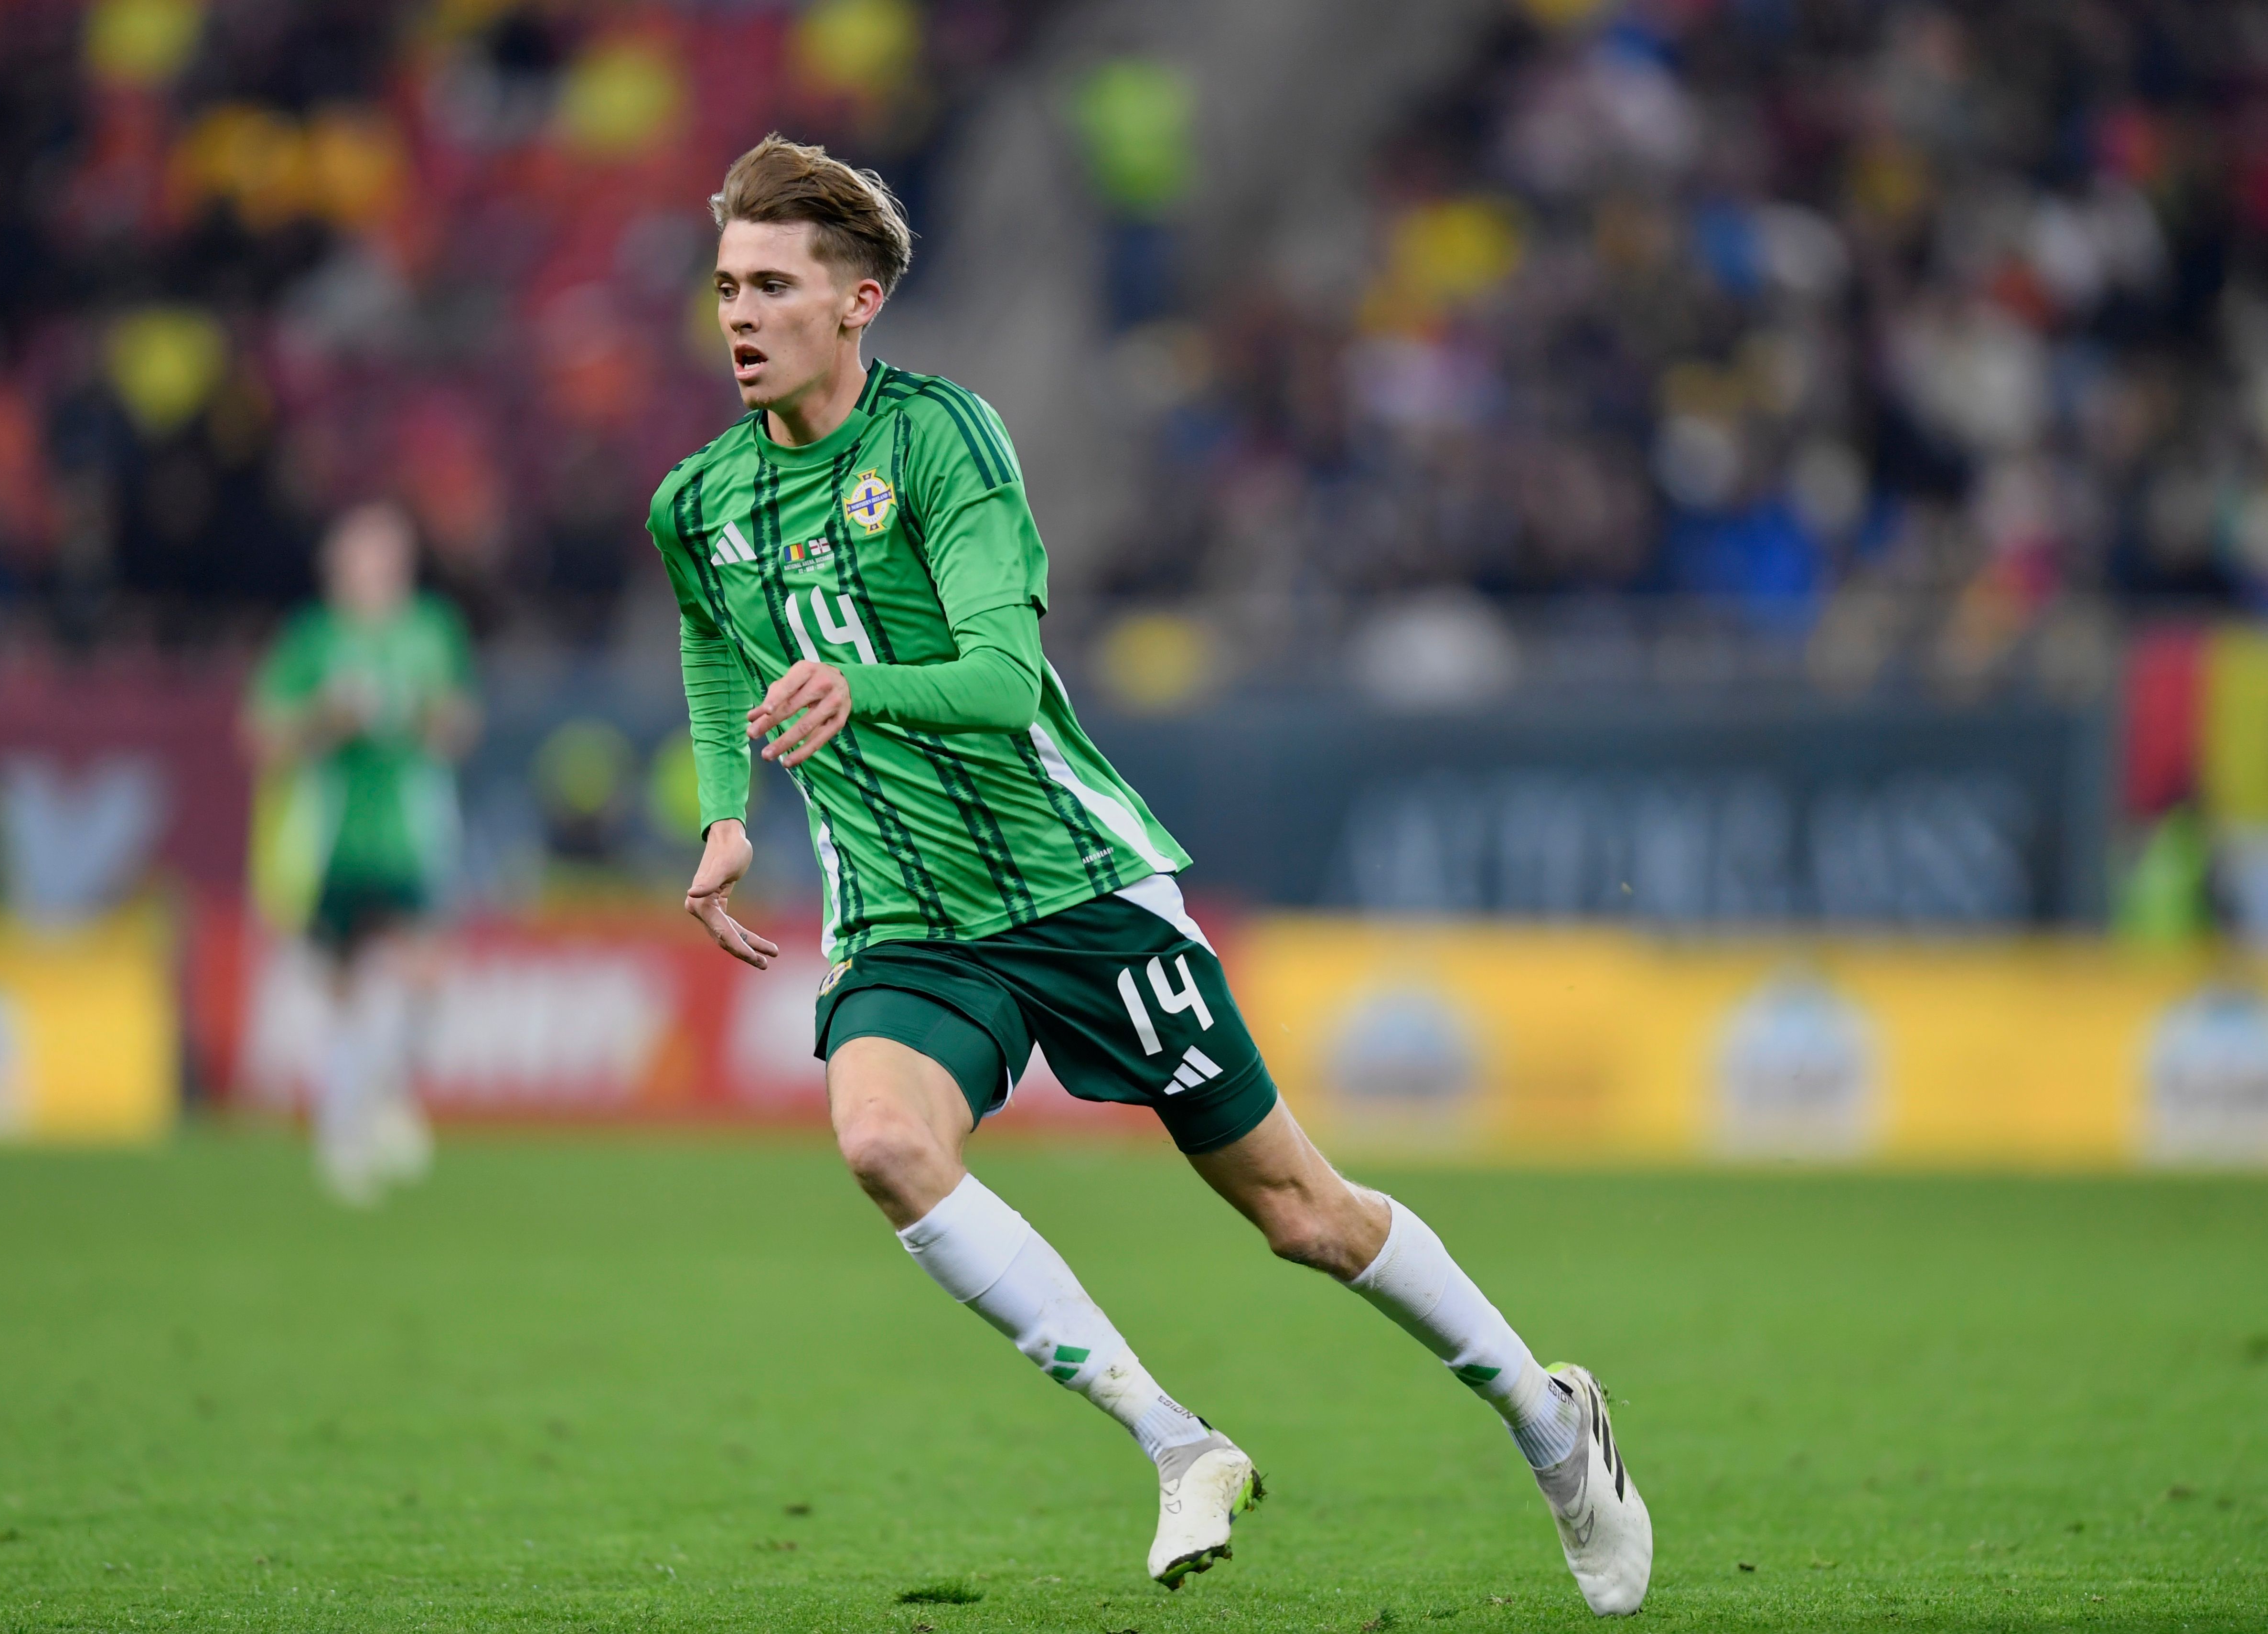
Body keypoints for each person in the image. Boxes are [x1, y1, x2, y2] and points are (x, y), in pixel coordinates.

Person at [649, 135, 1653, 1615]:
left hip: (1070, 884)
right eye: (727, 283)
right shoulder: (698, 500)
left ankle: (1544, 1415)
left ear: (858, 300)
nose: (739, 313)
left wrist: (859, 687)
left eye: (774, 285)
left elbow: (1000, 679)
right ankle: (1178, 1441)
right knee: (882, 1147)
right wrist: (728, 806)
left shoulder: (943, 444)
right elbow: (704, 634)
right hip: (908, 919)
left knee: (1303, 1214)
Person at [243, 502, 480, 1206]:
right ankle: (343, 1132)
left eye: (387, 555)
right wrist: (325, 716)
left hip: (414, 827)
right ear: (337, 566)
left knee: (425, 974)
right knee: (344, 989)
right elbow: (261, 738)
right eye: (362, 555)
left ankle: (388, 1095)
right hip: (333, 835)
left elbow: (459, 725)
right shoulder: (312, 639)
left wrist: (426, 716)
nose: (375, 570)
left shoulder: (432, 630)